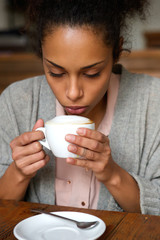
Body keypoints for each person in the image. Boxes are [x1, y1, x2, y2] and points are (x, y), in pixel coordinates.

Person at [0, 0, 160, 216]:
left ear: (117, 51)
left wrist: (112, 174)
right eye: (56, 72)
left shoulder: (153, 102)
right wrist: (19, 172)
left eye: (91, 73)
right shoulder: (15, 101)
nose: (73, 93)